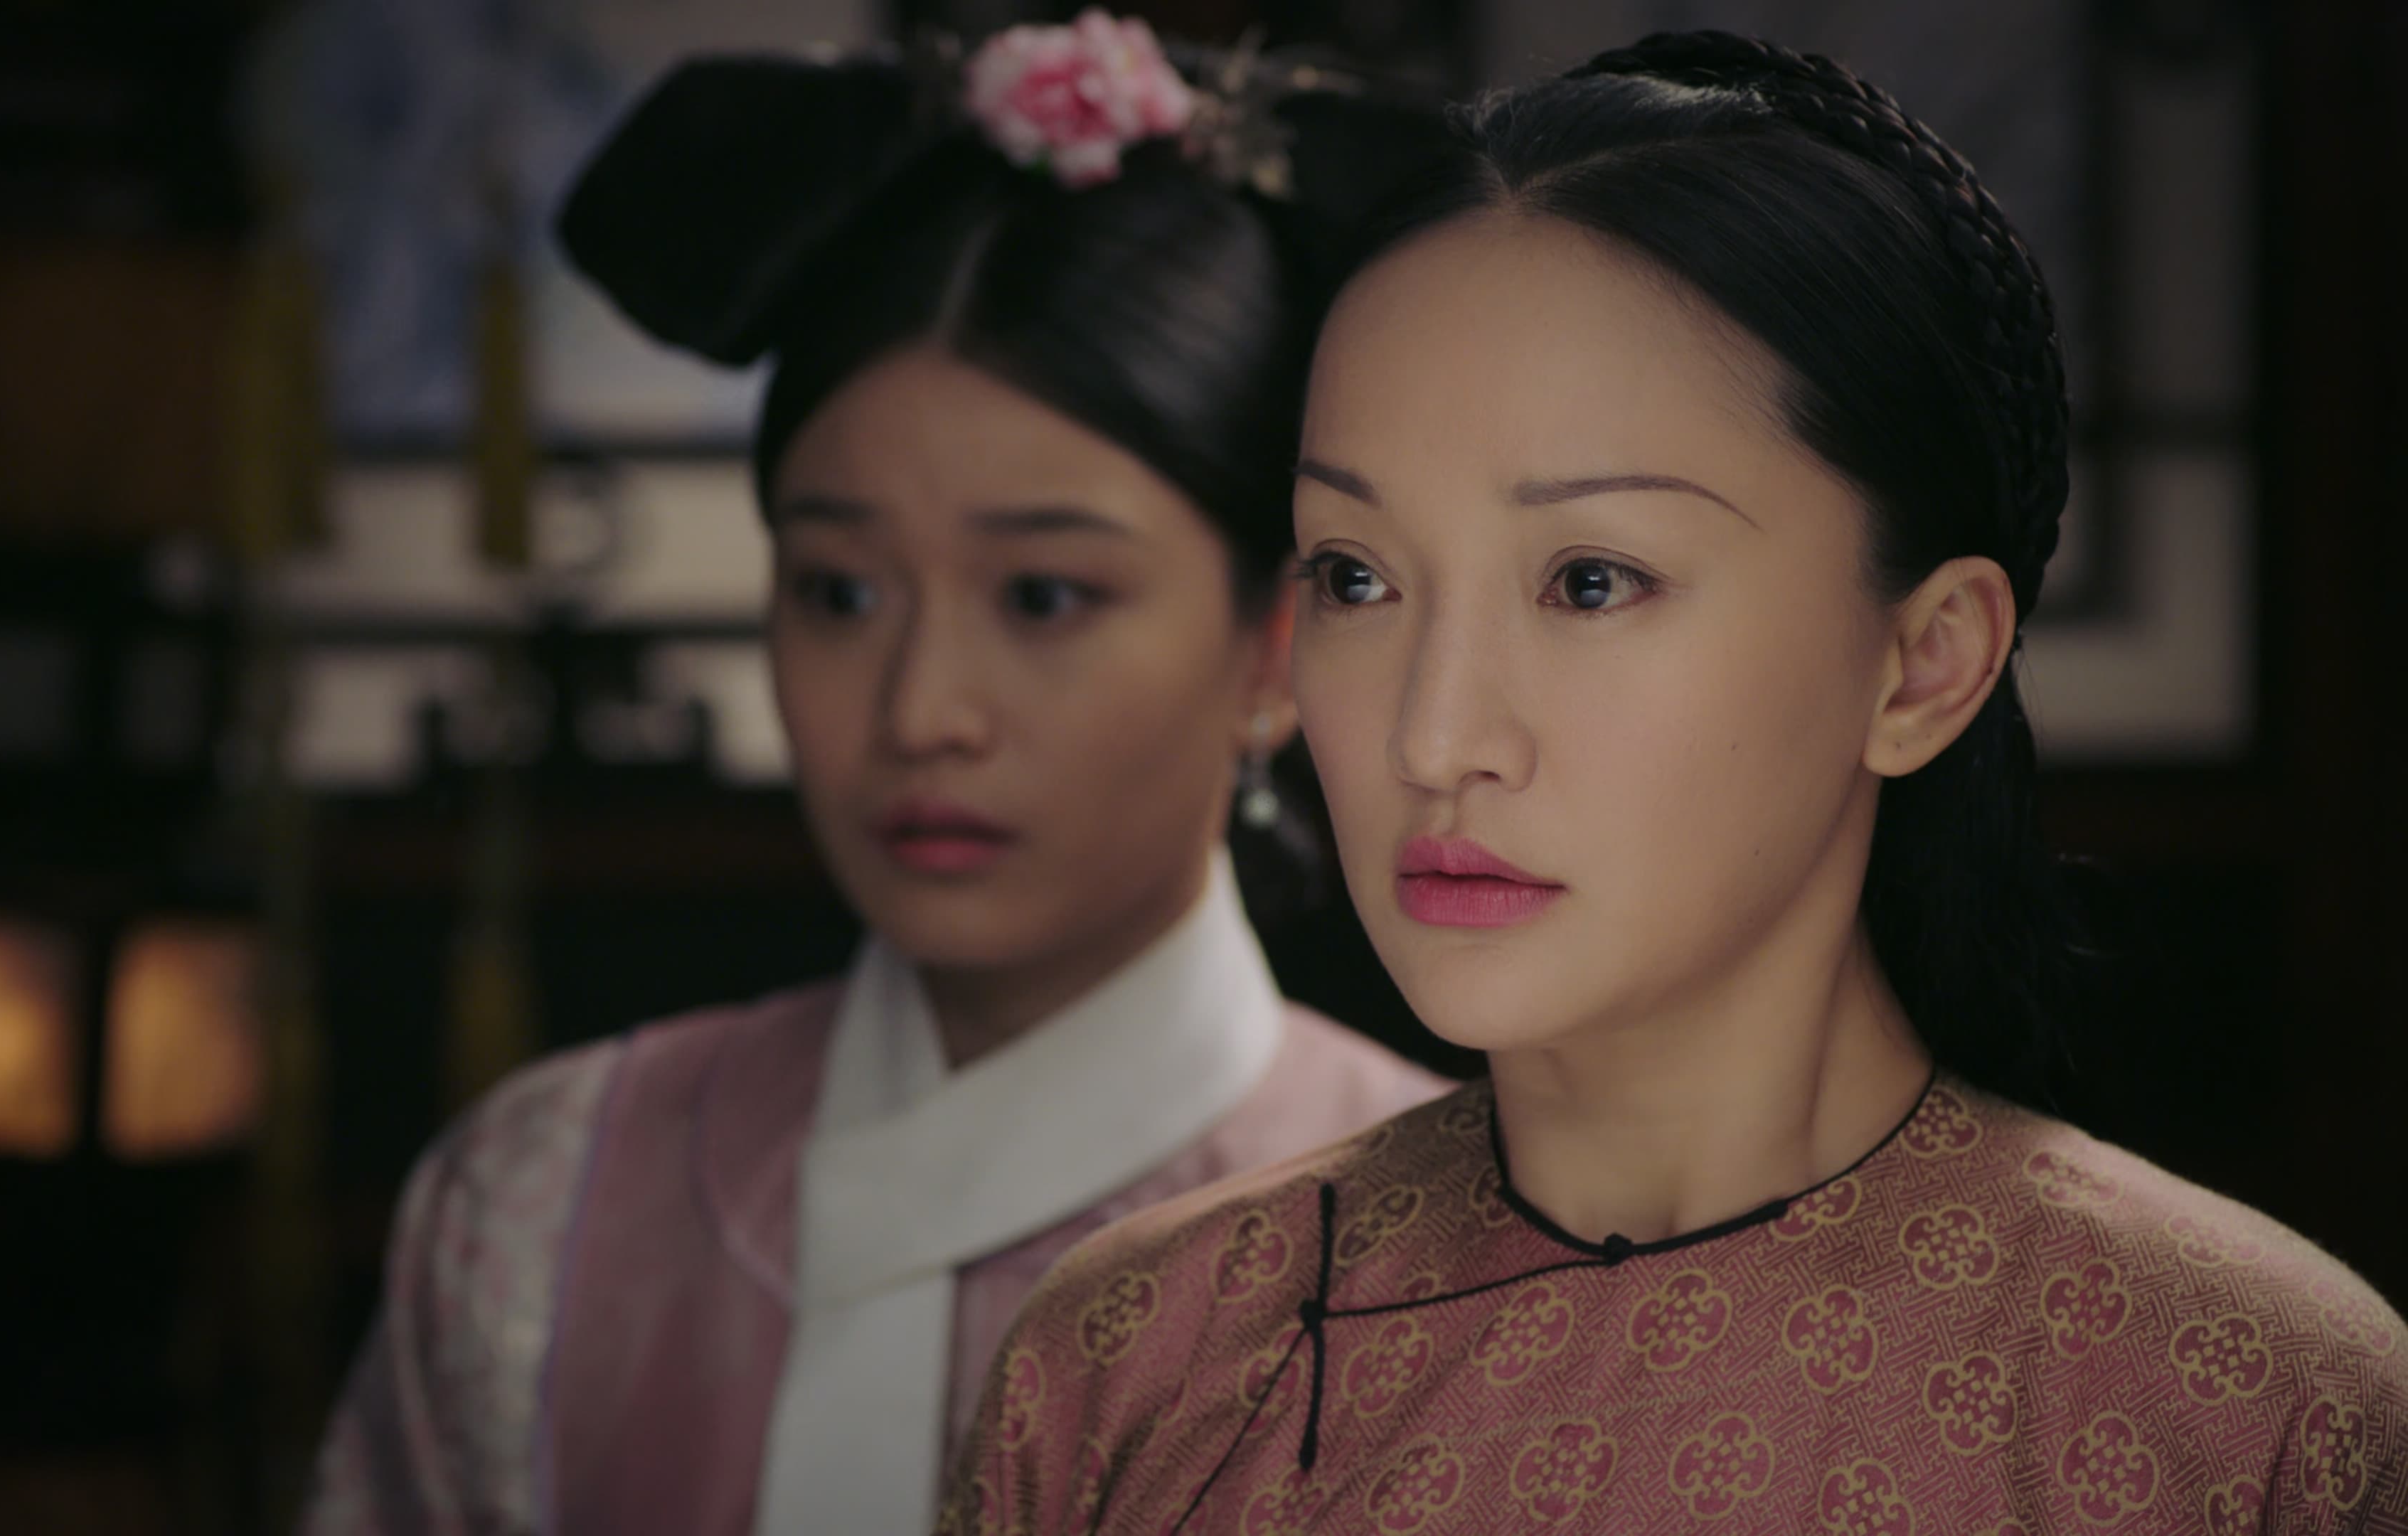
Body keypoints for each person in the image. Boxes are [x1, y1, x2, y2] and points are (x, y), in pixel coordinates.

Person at [940, 31, 2408, 1535]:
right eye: (1356, 576)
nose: (1432, 740)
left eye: (1591, 581)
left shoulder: (2246, 1414)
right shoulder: (1135, 1361)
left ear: (1924, 664)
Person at [302, 16, 1453, 1536]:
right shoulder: (544, 1201)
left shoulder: (1465, 1254)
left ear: (1273, 648)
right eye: (840, 591)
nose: (921, 710)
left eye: (1043, 596)